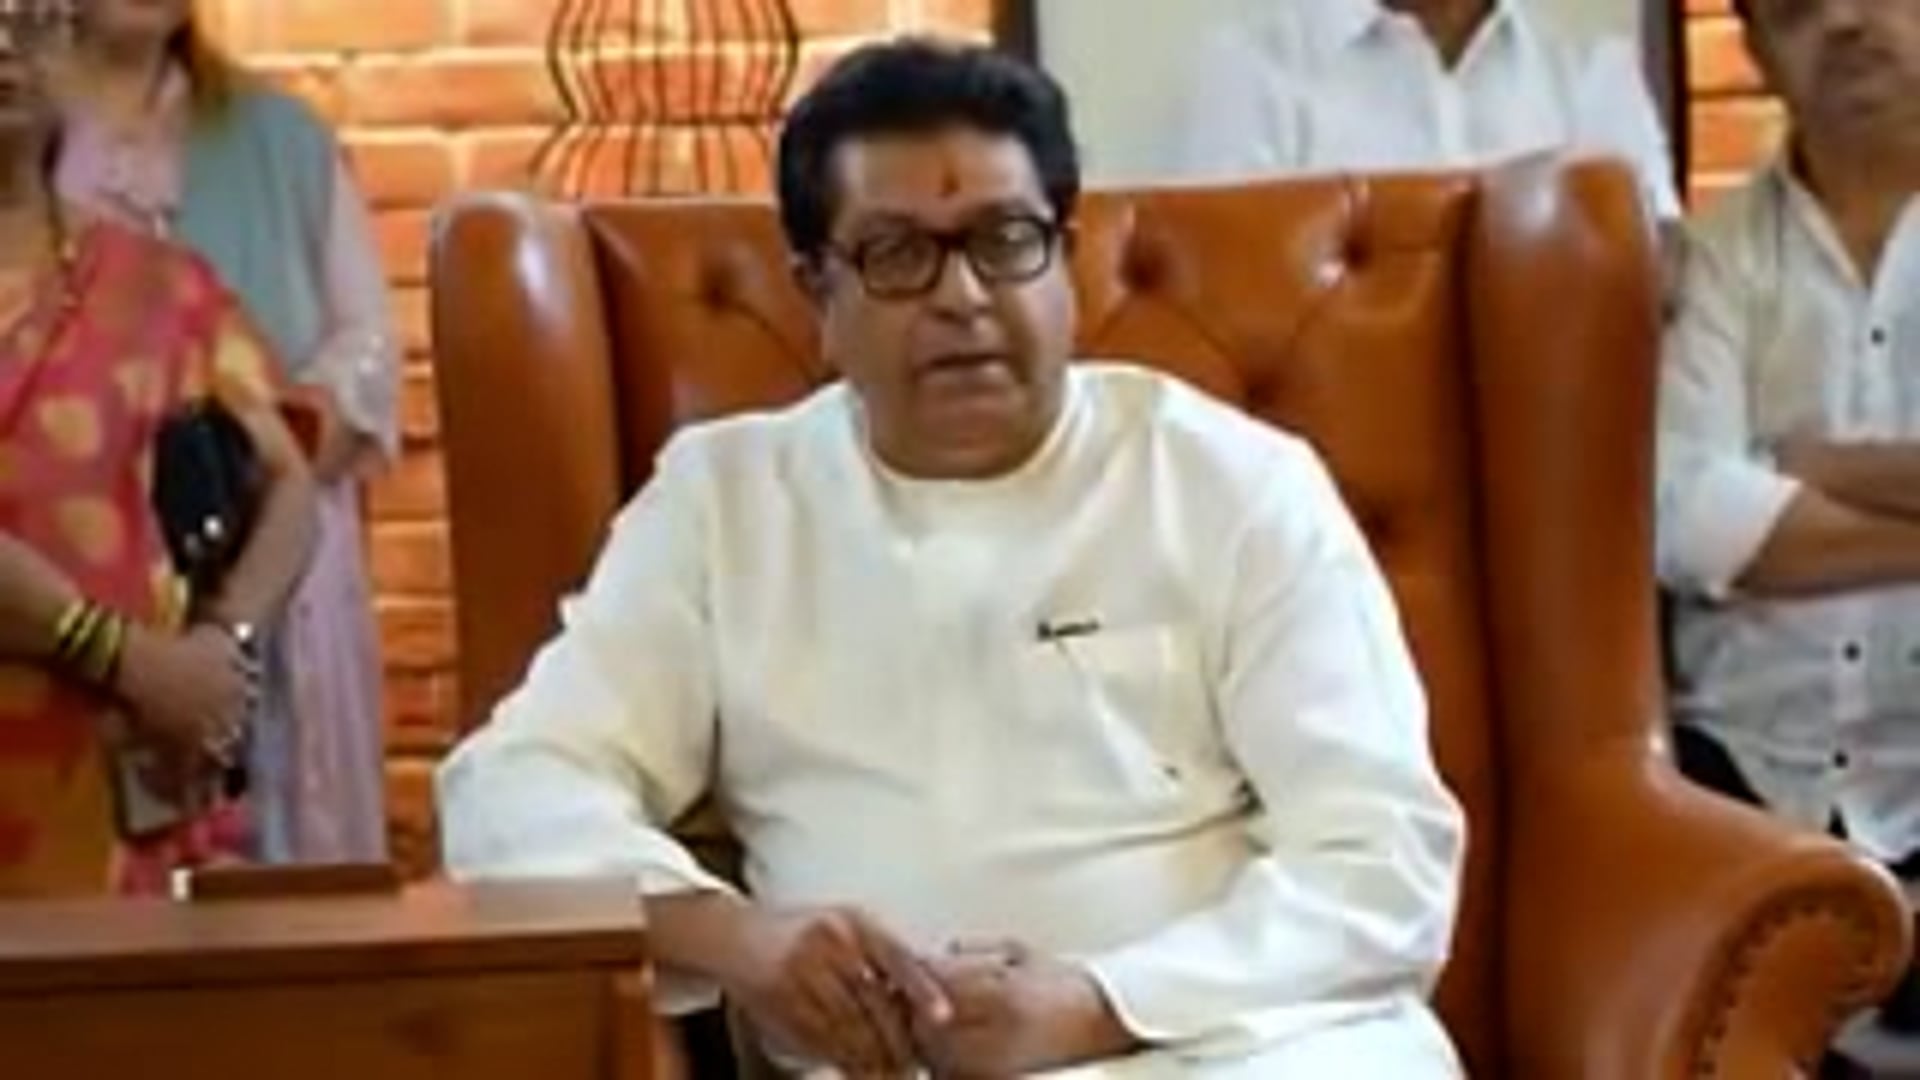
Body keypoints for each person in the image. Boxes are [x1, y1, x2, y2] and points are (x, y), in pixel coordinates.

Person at [438, 37, 1466, 1078]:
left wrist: (1104, 1000)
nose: (963, 297)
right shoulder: (726, 505)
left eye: (1005, 240)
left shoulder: (1232, 482)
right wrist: (735, 939)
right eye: (896, 254)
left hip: (1245, 1045)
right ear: (818, 296)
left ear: (1068, 262)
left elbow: (1385, 859)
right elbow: (507, 794)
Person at [54, 0, 398, 865]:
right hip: (74, 573)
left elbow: (365, 351)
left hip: (270, 561)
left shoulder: (284, 140)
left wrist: (259, 456)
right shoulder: (23, 144)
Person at [0, 0, 315, 896]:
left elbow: (288, 485)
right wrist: (127, 658)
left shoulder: (157, 284)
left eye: (32, 20)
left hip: (120, 814)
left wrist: (222, 643)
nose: (4, 44)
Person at [1655, 0, 1920, 1064]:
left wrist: (1813, 465)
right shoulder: (1714, 260)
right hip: (1742, 779)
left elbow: (1742, 507)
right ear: (1758, 52)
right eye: (1798, 9)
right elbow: (1689, 521)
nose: (1844, 22)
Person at [1167, 0, 1680, 225]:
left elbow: (1660, 277)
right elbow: (1228, 311)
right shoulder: (1253, 69)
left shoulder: (1590, 70)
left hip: (1555, 406)